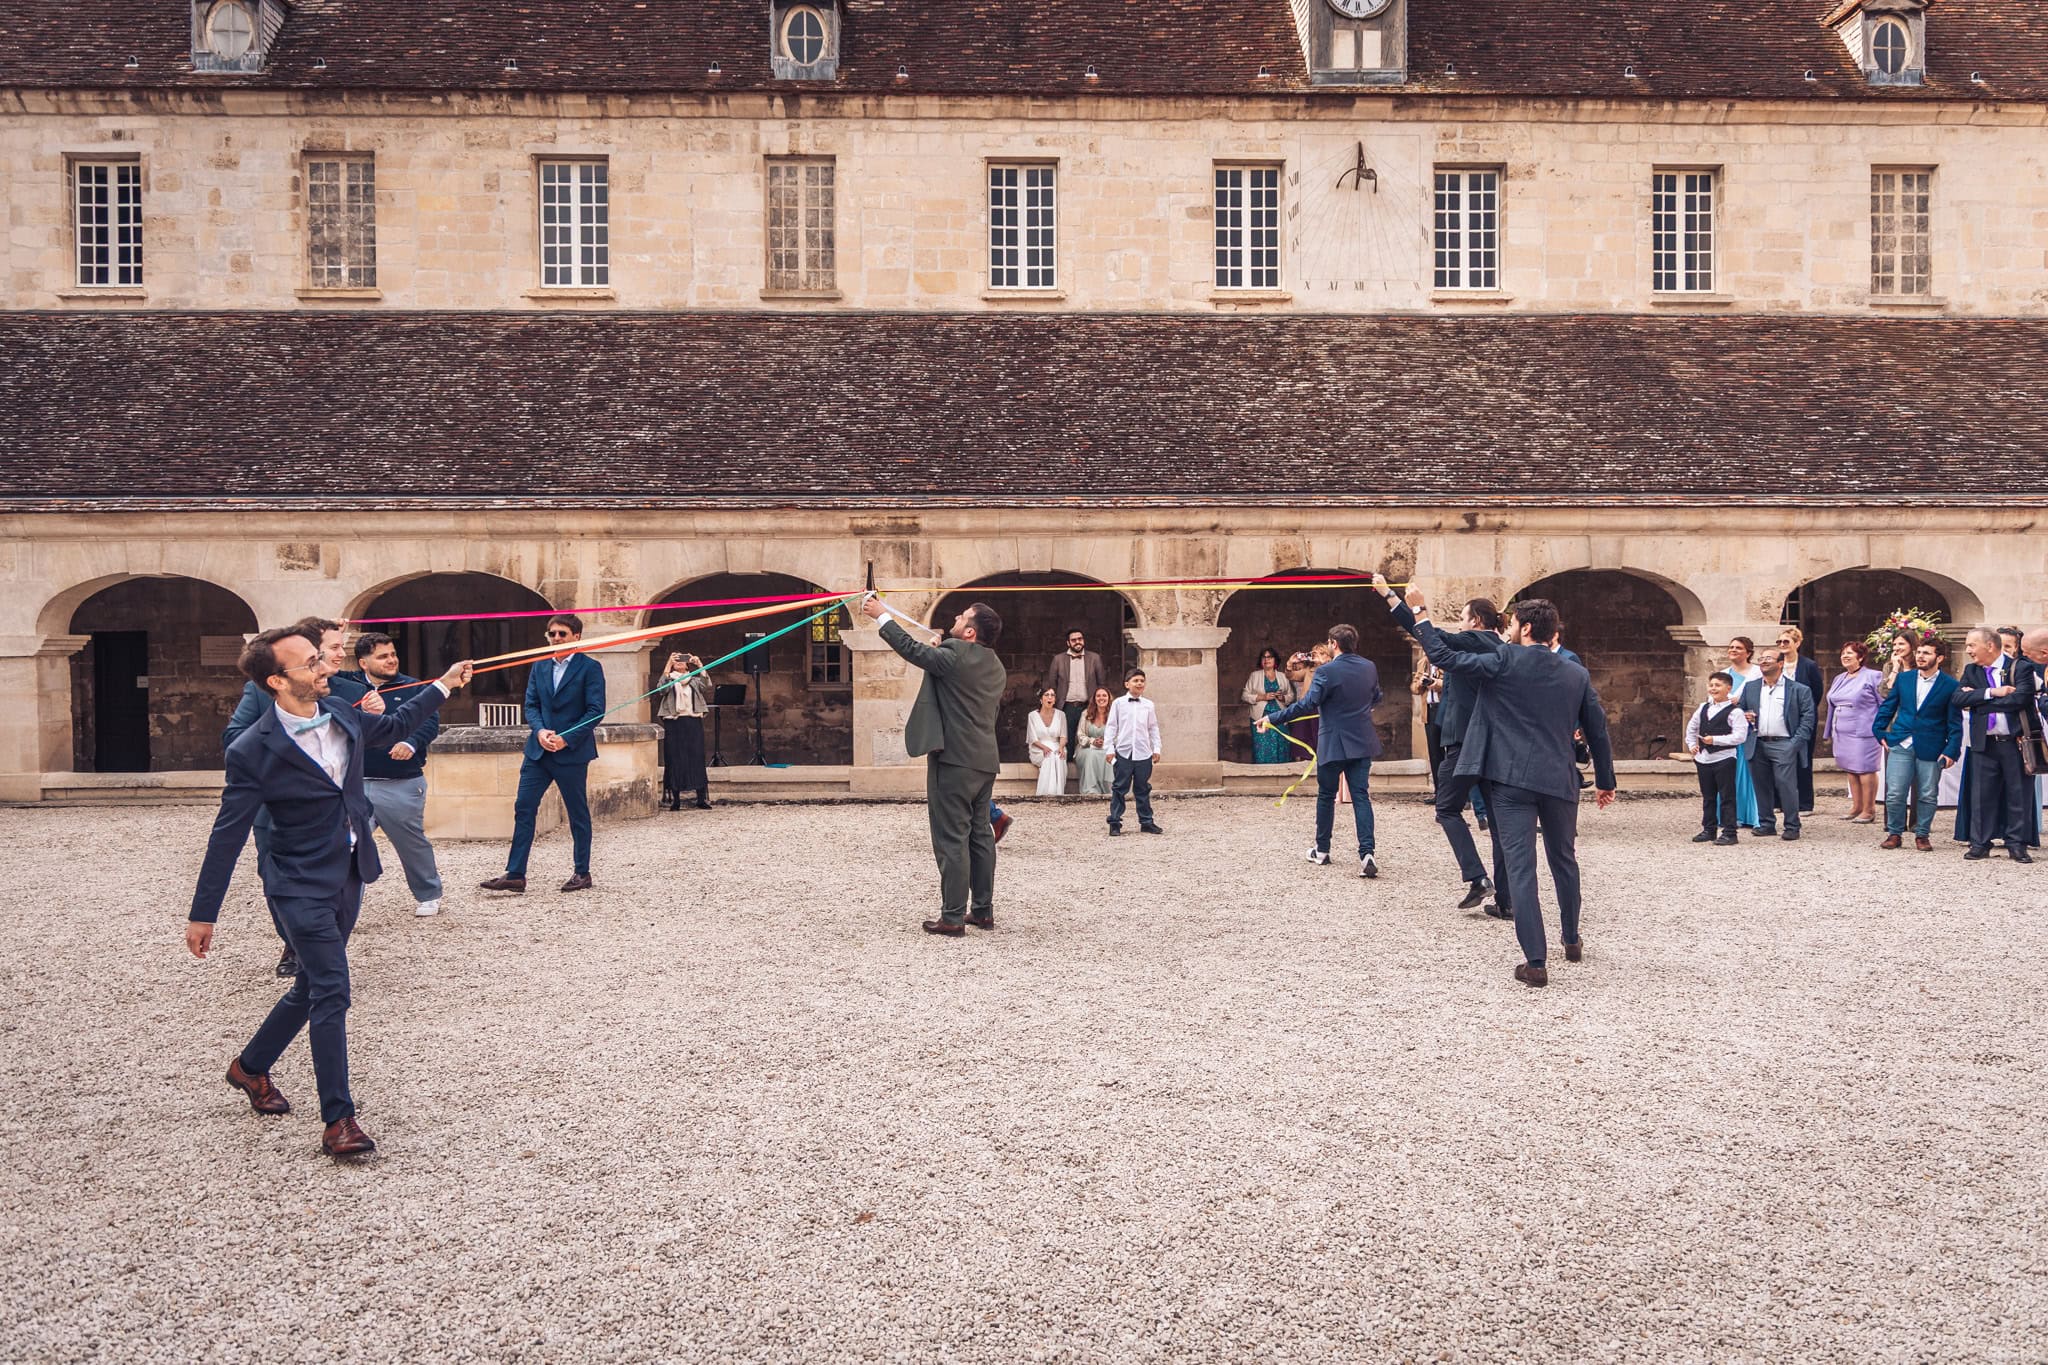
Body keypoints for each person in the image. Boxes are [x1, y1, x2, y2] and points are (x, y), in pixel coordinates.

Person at [187, 624, 473, 1159]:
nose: (325, 668)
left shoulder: (341, 712)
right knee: (334, 990)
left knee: (312, 986)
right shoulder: (252, 749)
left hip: (349, 872)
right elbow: (227, 833)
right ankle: (339, 1120)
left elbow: (396, 725)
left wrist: (445, 684)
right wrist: (204, 914)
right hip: (297, 884)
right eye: (312, 663)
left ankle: (249, 1067)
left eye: (320, 658)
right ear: (277, 681)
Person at [1407, 591, 1617, 988]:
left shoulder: (1505, 659)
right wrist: (1605, 780)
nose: (1511, 629)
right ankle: (1572, 939)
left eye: (1515, 623)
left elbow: (1446, 657)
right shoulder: (1575, 673)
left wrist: (1420, 613)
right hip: (1558, 778)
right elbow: (1597, 729)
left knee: (1522, 867)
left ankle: (1535, 962)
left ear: (1526, 627)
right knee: (1564, 860)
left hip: (1511, 779)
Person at [862, 594, 1006, 935]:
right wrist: (943, 651)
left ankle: (952, 917)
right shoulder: (995, 666)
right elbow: (955, 676)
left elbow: (913, 650)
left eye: (962, 616)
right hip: (985, 760)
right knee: (980, 836)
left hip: (954, 761)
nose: (956, 617)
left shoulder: (954, 656)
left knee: (952, 838)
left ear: (970, 632)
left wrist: (881, 615)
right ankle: (983, 911)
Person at [225, 615, 355, 978]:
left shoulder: (346, 690)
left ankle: (324, 954)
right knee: (279, 882)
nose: (337, 656)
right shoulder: (260, 692)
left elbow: (382, 727)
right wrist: (286, 736)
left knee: (341, 883)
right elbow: (234, 737)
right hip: (277, 812)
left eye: (340, 649)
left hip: (334, 814)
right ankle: (294, 945)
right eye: (331, 649)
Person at [1379, 579, 1506, 911]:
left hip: (1463, 742)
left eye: (1462, 618)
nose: (1460, 624)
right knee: (1498, 824)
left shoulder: (1473, 640)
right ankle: (1506, 901)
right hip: (1494, 745)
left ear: (1476, 621)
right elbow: (1426, 633)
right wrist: (1391, 598)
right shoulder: (1500, 646)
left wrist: (1410, 604)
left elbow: (1431, 638)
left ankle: (1478, 878)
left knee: (1447, 809)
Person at [480, 615, 606, 895]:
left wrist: (566, 739)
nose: (556, 638)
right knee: (524, 807)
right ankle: (515, 874)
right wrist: (539, 731)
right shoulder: (539, 666)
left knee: (577, 813)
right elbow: (531, 705)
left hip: (571, 753)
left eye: (562, 633)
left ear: (576, 636)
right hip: (538, 752)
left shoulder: (590, 668)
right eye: (552, 634)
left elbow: (595, 710)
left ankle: (582, 872)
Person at [329, 632, 445, 916]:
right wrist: (332, 632)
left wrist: (411, 742)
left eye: (393, 654)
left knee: (411, 843)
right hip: (355, 783)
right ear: (363, 663)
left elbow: (429, 722)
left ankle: (429, 894)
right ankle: (343, 904)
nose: (392, 660)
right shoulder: (344, 686)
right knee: (348, 846)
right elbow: (317, 663)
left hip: (401, 782)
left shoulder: (414, 687)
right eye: (382, 656)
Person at [1260, 623, 1383, 878]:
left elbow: (1306, 705)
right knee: (1361, 796)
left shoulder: (1326, 671)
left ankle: (1323, 850)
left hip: (1333, 742)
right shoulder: (1369, 667)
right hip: (1362, 741)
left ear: (1334, 644)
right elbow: (1377, 697)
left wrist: (1272, 719)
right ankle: (1367, 854)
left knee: (1326, 796)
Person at [1951, 626, 2037, 862]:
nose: (1968, 650)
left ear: (1989, 646)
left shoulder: (2020, 667)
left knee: (2018, 793)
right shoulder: (1971, 670)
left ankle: (2017, 844)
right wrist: (1993, 692)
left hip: (2014, 742)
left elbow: (2021, 699)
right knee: (1982, 796)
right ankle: (1980, 843)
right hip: (1984, 743)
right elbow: (1958, 698)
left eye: (1971, 645)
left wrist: (1979, 702)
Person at [1872, 637, 1961, 851]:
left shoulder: (1950, 685)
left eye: (1926, 653)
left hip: (1932, 745)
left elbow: (1955, 722)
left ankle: (1922, 834)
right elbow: (1889, 706)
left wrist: (1951, 750)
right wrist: (1879, 731)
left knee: (1928, 794)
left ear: (1939, 658)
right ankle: (1894, 833)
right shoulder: (1904, 679)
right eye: (1919, 652)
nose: (1920, 656)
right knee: (1895, 792)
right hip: (1901, 741)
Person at [1739, 648, 1816, 841]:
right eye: (1761, 658)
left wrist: (1794, 744)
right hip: (1756, 742)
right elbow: (1739, 710)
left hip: (1783, 743)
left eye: (1769, 658)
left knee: (1786, 785)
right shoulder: (1751, 687)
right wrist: (1744, 715)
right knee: (1761, 785)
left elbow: (1808, 719)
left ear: (1780, 663)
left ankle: (1792, 825)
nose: (1763, 661)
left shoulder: (1799, 689)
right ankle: (1766, 824)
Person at [1685, 671, 1750, 844]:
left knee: (1727, 796)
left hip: (1724, 758)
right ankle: (1709, 829)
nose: (1713, 688)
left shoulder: (1735, 712)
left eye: (1718, 685)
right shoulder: (1703, 707)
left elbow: (1740, 736)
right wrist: (1692, 745)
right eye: (1711, 685)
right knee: (1708, 796)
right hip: (1703, 758)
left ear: (1728, 688)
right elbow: (1691, 729)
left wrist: (1715, 740)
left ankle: (1730, 832)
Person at [1825, 640, 1884, 825]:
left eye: (1850, 653)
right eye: (1843, 653)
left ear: (1861, 657)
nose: (1845, 656)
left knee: (1865, 768)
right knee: (1850, 768)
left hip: (1864, 729)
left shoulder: (1874, 676)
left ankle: (1869, 809)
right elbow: (1831, 703)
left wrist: (1882, 727)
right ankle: (1856, 806)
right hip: (1842, 729)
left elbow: (1883, 702)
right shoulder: (1839, 678)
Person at [1102, 668, 1164, 836]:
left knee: (1143, 788)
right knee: (1119, 787)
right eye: (1136, 680)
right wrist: (1109, 749)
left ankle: (1146, 822)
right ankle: (1115, 822)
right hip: (1124, 752)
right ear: (1127, 684)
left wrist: (1156, 748)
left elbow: (1153, 728)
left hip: (1143, 752)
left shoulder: (1148, 705)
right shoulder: (1118, 703)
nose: (1139, 683)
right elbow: (1111, 727)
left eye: (1142, 681)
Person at [654, 648, 713, 811]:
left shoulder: (693, 680)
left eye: (682, 659)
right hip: (675, 723)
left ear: (687, 663)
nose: (679, 662)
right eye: (676, 660)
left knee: (696, 757)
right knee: (675, 759)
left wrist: (700, 665)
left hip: (693, 722)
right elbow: (661, 689)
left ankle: (700, 798)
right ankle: (676, 800)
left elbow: (706, 685)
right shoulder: (669, 678)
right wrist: (668, 665)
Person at [1775, 626, 1825, 813]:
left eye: (1786, 641)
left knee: (1803, 760)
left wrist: (1804, 713)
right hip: (1778, 717)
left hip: (1803, 719)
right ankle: (1779, 801)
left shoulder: (1808, 665)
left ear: (1797, 643)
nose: (1782, 645)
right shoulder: (1776, 663)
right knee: (1778, 759)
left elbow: (1816, 691)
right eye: (1779, 642)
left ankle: (1805, 803)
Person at [1042, 629, 1105, 762]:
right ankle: (1068, 766)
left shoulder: (1094, 658)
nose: (1077, 642)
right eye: (1074, 640)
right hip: (1067, 706)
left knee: (1088, 736)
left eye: (1080, 639)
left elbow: (1101, 683)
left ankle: (1085, 765)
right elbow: (1052, 684)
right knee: (1067, 738)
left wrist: (1098, 704)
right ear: (1068, 643)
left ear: (1083, 640)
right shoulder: (1058, 659)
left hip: (1088, 705)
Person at [1724, 637, 1763, 830]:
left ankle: (1751, 815)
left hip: (1749, 730)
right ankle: (1731, 814)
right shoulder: (1724, 674)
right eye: (1731, 647)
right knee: (1729, 773)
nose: (1733, 650)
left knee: (1748, 773)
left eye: (1738, 648)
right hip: (1728, 729)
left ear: (1748, 652)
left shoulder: (1757, 673)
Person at [1244, 648, 1296, 765]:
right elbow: (1245, 695)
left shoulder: (1283, 676)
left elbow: (1292, 696)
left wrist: (1283, 698)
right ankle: (1262, 772)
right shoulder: (1254, 676)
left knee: (1282, 744)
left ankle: (1282, 771)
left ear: (1275, 660)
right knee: (1262, 747)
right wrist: (1262, 697)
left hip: (1280, 717)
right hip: (1260, 717)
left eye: (1270, 657)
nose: (1266, 659)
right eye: (1264, 657)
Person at [1026, 685, 1068, 795]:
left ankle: (1058, 793)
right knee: (1048, 756)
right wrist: (1044, 747)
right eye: (1047, 695)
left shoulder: (1061, 715)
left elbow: (1063, 736)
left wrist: (1061, 747)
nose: (1050, 697)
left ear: (1055, 700)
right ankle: (1045, 794)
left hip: (1057, 745)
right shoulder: (1032, 715)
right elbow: (1032, 738)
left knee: (1058, 756)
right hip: (1038, 748)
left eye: (1052, 695)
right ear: (1041, 699)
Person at [1074, 686, 1114, 795]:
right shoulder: (1086, 714)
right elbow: (1080, 735)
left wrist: (1106, 743)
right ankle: (1091, 790)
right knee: (1091, 754)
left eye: (1104, 695)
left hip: (1107, 748)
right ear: (1094, 699)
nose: (1101, 698)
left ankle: (1109, 789)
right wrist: (1092, 741)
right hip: (1086, 748)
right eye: (1098, 696)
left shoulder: (1114, 714)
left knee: (1108, 754)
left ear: (1109, 698)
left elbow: (1118, 735)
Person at [1282, 651, 1320, 754]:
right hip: (1306, 707)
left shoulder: (1330, 669)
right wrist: (1290, 663)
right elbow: (1291, 676)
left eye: (1321, 653)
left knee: (1319, 739)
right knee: (1302, 737)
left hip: (1322, 710)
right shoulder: (1309, 670)